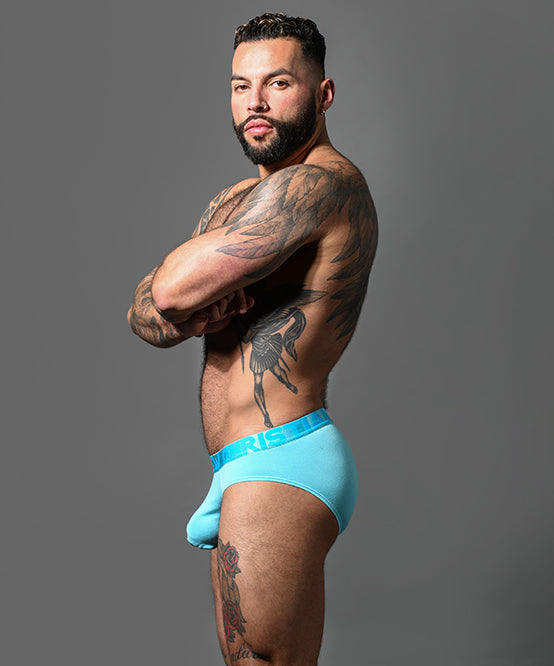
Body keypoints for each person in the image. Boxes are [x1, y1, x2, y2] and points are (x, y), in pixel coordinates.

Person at [128, 12, 377, 665]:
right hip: (238, 463)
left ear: (323, 94)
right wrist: (185, 314)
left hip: (281, 456)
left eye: (278, 83)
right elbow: (145, 315)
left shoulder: (322, 185)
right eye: (241, 86)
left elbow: (168, 290)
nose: (255, 102)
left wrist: (182, 303)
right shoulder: (237, 198)